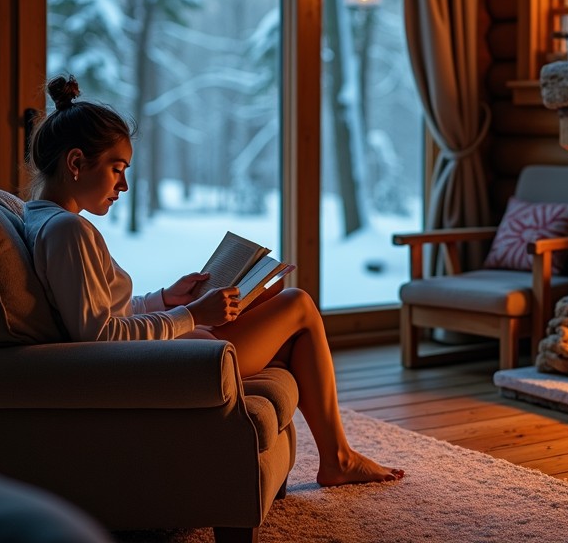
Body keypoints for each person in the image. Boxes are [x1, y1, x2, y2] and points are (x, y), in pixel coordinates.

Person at [23, 74, 403, 487]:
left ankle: (337, 458)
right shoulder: (68, 231)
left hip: (154, 356)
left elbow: (98, 313)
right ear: (76, 163)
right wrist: (191, 314)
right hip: (162, 367)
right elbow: (98, 336)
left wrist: (165, 299)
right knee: (298, 305)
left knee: (265, 299)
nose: (124, 185)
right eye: (117, 169)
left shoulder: (45, 221)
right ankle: (338, 459)